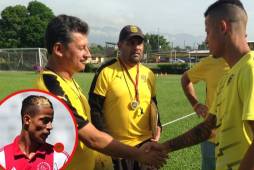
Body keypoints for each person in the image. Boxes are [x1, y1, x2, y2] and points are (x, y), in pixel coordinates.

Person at [36, 15, 167, 170]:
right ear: (58, 49)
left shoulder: (68, 81)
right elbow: (92, 138)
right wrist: (138, 155)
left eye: (87, 47)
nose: (88, 54)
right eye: (81, 48)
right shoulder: (51, 88)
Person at [160, 0, 254, 170]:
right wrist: (165, 147)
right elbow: (208, 129)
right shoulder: (228, 77)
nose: (206, 40)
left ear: (223, 27)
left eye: (208, 32)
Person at [89, 25, 162, 170]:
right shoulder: (106, 72)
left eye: (139, 43)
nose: (136, 47)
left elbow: (153, 103)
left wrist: (158, 124)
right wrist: (108, 144)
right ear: (120, 45)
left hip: (146, 146)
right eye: (131, 43)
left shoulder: (149, 74)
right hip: (118, 149)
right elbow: (95, 110)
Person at [181, 54, 229, 170]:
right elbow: (185, 79)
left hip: (237, 141)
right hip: (211, 139)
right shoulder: (210, 61)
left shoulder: (249, 65)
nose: (206, 40)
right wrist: (196, 104)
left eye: (209, 34)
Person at [0, 95, 68, 170]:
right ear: (27, 120)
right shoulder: (2, 158)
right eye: (45, 121)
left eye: (51, 121)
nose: (50, 127)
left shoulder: (60, 158)